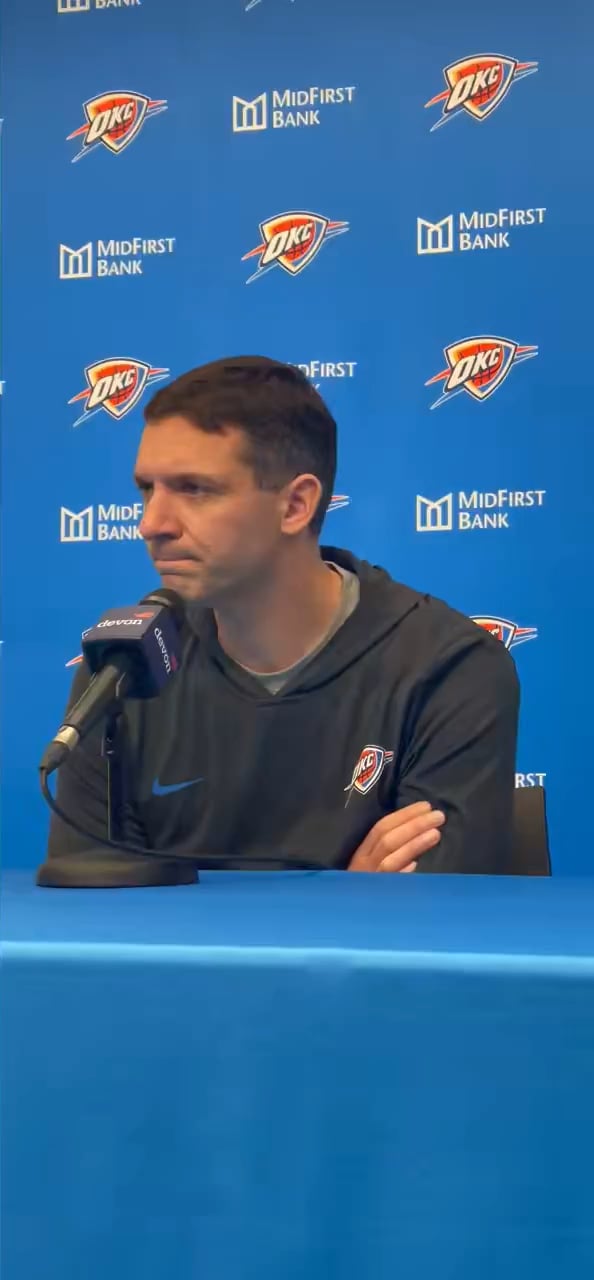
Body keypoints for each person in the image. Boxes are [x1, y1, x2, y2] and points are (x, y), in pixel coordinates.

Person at [40, 355, 519, 886]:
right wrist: (346, 892)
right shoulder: (125, 667)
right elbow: (91, 903)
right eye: (147, 489)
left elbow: (433, 914)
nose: (151, 524)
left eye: (194, 489)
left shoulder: (448, 667)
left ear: (295, 505)